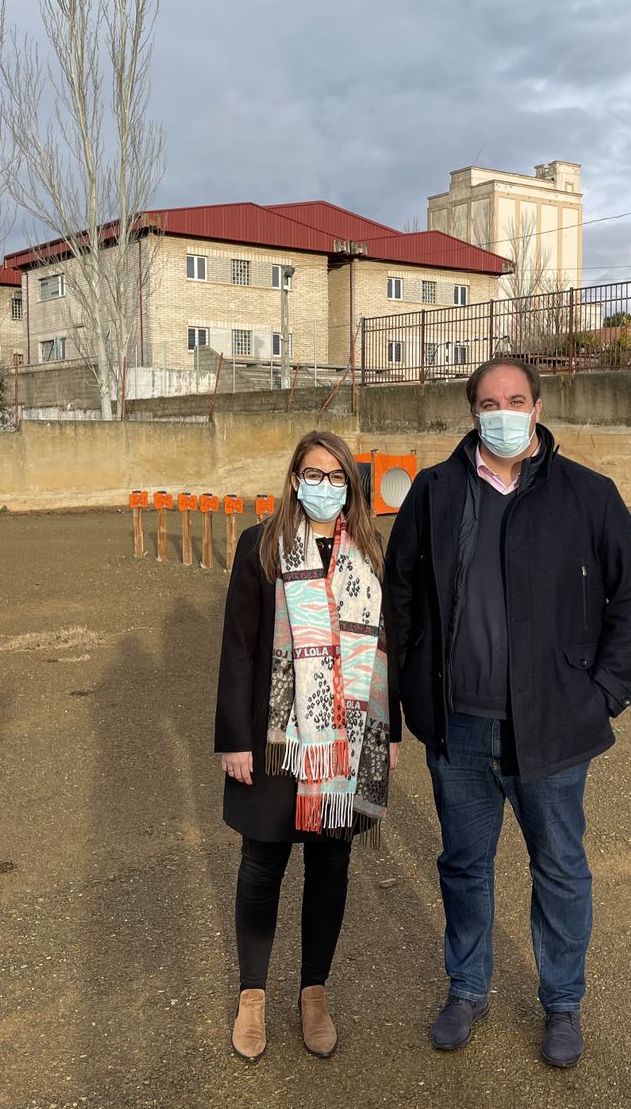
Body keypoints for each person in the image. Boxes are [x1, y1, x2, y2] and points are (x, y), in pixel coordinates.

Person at [384, 357, 631, 1069]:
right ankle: (466, 988)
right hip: (460, 726)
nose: (501, 412)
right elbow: (402, 595)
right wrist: (413, 691)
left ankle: (562, 1003)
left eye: (514, 400)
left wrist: (604, 692)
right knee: (463, 865)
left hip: (552, 728)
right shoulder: (436, 491)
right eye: (487, 402)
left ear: (538, 407)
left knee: (560, 867)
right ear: (471, 412)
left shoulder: (587, 495)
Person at [214, 430, 399, 1062]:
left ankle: (314, 993)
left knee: (329, 867)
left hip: (347, 741)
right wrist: (235, 740)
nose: (323, 485)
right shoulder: (260, 547)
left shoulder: (371, 552)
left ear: (351, 484)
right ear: (294, 479)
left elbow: (384, 649)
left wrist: (389, 734)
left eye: (335, 475)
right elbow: (238, 648)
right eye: (311, 473)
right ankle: (253, 997)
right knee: (262, 866)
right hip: (276, 742)